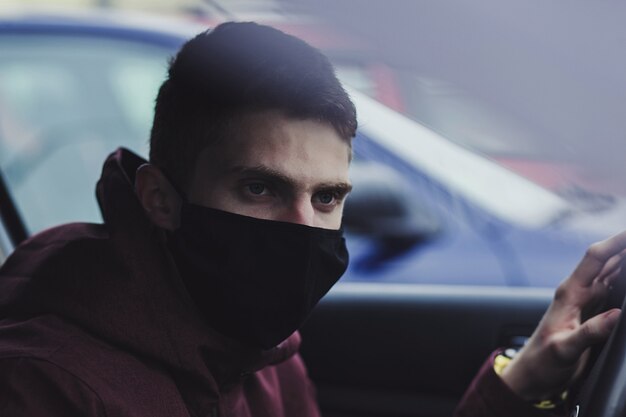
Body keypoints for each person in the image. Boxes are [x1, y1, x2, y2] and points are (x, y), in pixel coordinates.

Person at [0, 21, 623, 417]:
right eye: (259, 187)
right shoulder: (47, 386)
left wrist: (520, 384)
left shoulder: (262, 351)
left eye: (326, 198)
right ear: (160, 199)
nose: (300, 229)